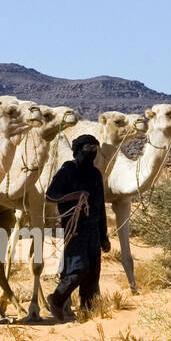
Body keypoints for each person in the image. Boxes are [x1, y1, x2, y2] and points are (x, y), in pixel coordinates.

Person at [45, 133, 110, 321]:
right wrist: (74, 196)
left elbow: (100, 205)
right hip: (74, 229)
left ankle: (87, 313)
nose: (91, 151)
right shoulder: (67, 171)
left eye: (94, 148)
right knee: (78, 269)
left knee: (93, 273)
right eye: (87, 148)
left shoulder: (96, 174)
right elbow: (50, 196)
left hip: (94, 231)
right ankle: (57, 299)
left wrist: (104, 236)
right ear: (78, 150)